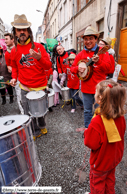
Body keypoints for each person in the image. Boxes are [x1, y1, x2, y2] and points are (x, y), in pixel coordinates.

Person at [10, 14, 52, 138]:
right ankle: (34, 130)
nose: (22, 32)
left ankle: (42, 124)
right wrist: (13, 78)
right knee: (28, 111)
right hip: (24, 86)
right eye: (19, 30)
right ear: (15, 33)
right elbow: (15, 67)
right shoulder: (14, 50)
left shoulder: (39, 47)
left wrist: (39, 59)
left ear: (29, 31)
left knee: (41, 111)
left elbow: (48, 66)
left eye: (25, 29)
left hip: (40, 85)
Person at [84, 79, 126, 194]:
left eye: (96, 91)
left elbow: (90, 143)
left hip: (100, 163)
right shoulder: (121, 117)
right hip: (113, 160)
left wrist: (87, 132)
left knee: (97, 184)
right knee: (110, 180)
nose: (94, 93)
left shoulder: (97, 121)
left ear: (100, 98)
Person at [71, 26, 113, 128]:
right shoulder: (80, 54)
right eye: (86, 39)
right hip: (86, 89)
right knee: (87, 111)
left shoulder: (103, 52)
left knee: (100, 111)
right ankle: (88, 129)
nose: (88, 41)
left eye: (91, 38)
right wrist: (77, 69)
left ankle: (100, 130)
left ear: (95, 39)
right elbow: (72, 69)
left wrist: (99, 62)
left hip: (100, 89)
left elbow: (109, 69)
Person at [4, 32, 24, 114]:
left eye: (6, 39)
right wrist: (13, 70)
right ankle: (23, 114)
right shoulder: (6, 53)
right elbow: (9, 66)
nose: (5, 41)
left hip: (25, 76)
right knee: (19, 96)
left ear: (12, 40)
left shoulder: (19, 48)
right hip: (17, 78)